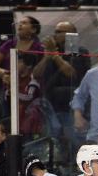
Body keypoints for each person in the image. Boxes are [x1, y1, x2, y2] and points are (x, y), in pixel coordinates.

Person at [32, 21, 90, 155]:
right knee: (53, 142)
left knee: (76, 142)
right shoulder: (48, 51)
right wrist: (47, 57)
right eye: (56, 31)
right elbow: (36, 74)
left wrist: (55, 56)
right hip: (51, 105)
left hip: (71, 105)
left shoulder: (80, 52)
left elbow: (72, 74)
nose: (55, 34)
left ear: (72, 34)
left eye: (60, 31)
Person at [0, 16, 43, 93]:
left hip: (30, 89)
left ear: (33, 29)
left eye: (24, 23)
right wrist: (1, 72)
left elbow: (41, 70)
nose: (20, 25)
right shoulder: (9, 44)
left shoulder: (39, 47)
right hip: (8, 87)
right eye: (19, 23)